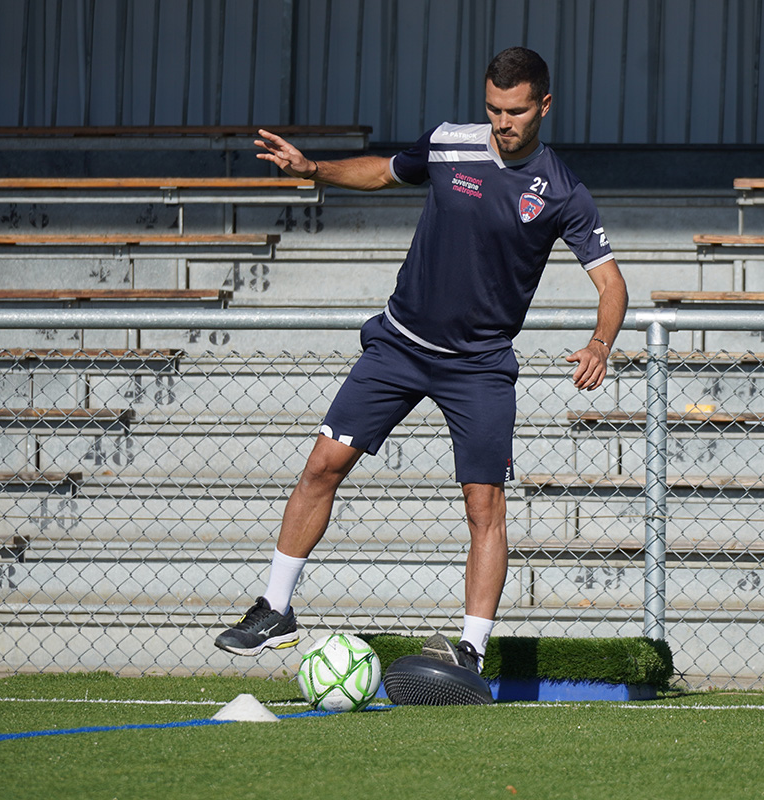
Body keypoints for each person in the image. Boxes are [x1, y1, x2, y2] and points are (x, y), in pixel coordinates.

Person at [215, 46, 627, 674]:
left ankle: (471, 651)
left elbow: (611, 284)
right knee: (322, 464)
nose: (502, 122)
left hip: (480, 366)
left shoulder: (563, 191)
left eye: (515, 111)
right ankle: (275, 607)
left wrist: (600, 344)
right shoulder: (449, 143)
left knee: (483, 507)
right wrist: (313, 168)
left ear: (544, 106)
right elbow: (383, 172)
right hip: (399, 345)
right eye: (493, 108)